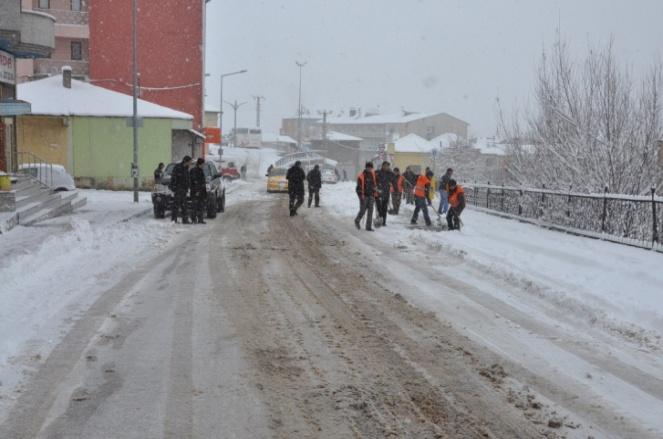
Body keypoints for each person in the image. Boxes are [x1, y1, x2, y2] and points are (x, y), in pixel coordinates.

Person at [354, 161, 377, 231]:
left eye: (371, 168)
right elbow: (358, 188)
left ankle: (368, 227)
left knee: (370, 212)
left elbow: (374, 185)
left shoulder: (373, 174)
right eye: (368, 168)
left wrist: (375, 192)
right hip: (364, 196)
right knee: (362, 211)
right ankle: (357, 220)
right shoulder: (361, 176)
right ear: (366, 167)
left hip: (371, 196)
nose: (370, 169)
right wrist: (361, 196)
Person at [169, 156, 192, 223]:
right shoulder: (178, 167)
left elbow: (187, 178)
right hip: (178, 189)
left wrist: (188, 186)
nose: (190, 163)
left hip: (184, 189)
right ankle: (174, 219)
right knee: (176, 205)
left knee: (184, 205)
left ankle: (185, 219)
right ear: (186, 161)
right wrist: (175, 187)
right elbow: (174, 178)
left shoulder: (186, 168)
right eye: (190, 162)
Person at [375, 161, 395, 226]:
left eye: (388, 166)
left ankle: (383, 222)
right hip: (379, 193)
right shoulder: (378, 172)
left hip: (386, 193)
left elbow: (394, 179)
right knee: (379, 208)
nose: (386, 167)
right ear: (382, 166)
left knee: (384, 208)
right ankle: (379, 219)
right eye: (385, 165)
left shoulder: (390, 173)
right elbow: (373, 178)